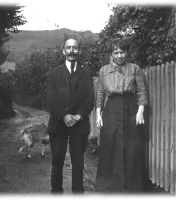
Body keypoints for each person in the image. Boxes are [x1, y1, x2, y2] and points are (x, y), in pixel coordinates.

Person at [95, 38, 148, 193]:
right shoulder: (104, 70)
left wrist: (140, 110)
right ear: (112, 54)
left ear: (127, 52)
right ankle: (109, 190)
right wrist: (98, 114)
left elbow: (141, 91)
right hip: (111, 110)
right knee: (110, 147)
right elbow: (100, 93)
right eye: (116, 52)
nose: (119, 55)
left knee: (131, 148)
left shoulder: (134, 68)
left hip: (131, 109)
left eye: (122, 52)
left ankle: (132, 190)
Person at [46, 38, 94, 194]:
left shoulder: (86, 73)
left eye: (75, 48)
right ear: (63, 51)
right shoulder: (54, 73)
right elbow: (50, 98)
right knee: (57, 161)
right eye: (69, 47)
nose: (72, 50)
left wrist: (79, 115)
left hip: (79, 125)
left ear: (79, 51)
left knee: (78, 163)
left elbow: (90, 98)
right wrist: (64, 116)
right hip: (58, 123)